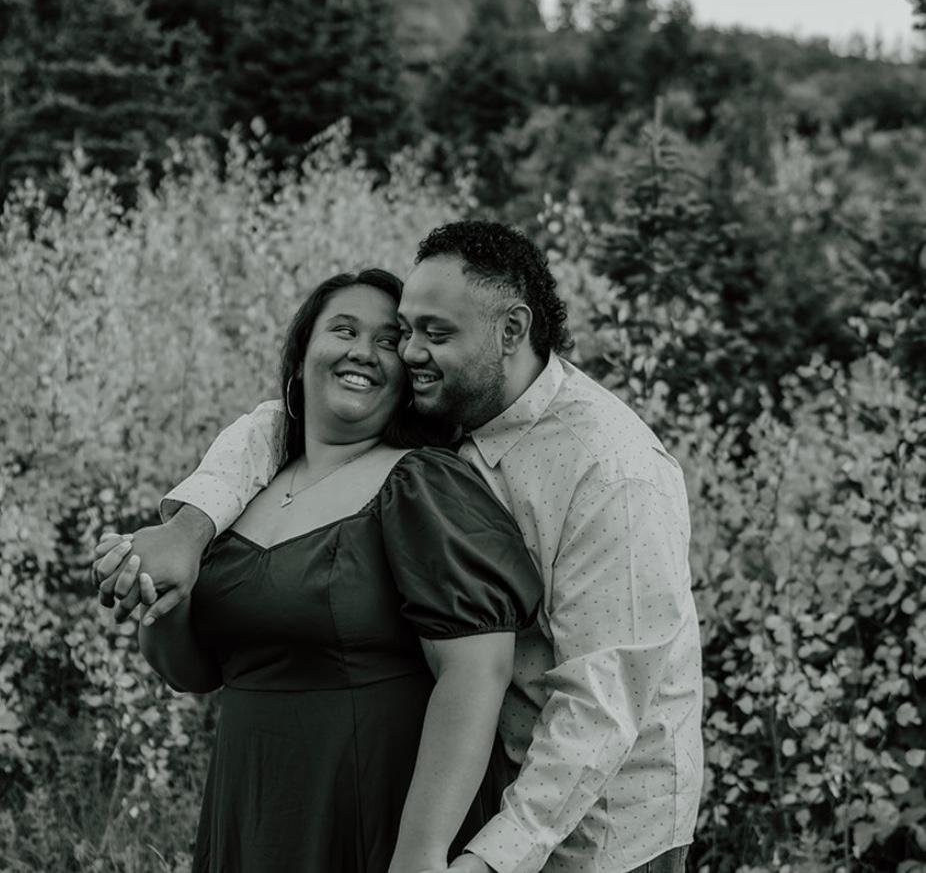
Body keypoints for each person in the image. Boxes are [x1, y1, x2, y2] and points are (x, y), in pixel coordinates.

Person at [95, 221, 703, 873]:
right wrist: (185, 532)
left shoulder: (613, 470)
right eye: (406, 330)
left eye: (432, 334)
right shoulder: (450, 407)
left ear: (511, 331)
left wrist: (481, 858)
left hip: (600, 831)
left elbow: (603, 702)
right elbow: (278, 425)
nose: (408, 352)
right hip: (488, 798)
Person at [119, 267, 543, 873]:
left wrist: (420, 853)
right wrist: (160, 597)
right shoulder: (237, 495)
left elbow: (478, 672)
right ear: (300, 357)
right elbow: (193, 672)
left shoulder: (422, 482)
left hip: (372, 814)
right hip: (251, 812)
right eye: (343, 330)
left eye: (388, 341)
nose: (363, 351)